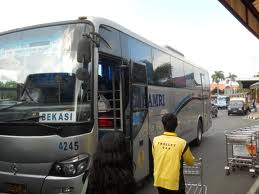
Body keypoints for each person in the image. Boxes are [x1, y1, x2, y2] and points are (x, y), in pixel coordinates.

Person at [152, 113, 195, 194]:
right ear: (176, 125)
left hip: (159, 181)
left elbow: (156, 156)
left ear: (163, 125)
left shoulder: (155, 140)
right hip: (175, 184)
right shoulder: (182, 143)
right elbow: (190, 162)